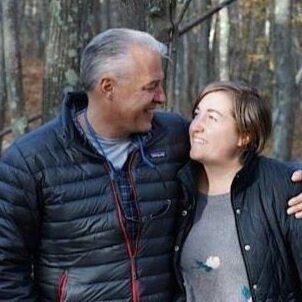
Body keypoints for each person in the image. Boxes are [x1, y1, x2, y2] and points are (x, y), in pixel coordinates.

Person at [0, 29, 301, 302]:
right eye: (151, 87)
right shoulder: (31, 161)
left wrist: (295, 180)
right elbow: (5, 270)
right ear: (108, 88)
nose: (162, 97)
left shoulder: (172, 137)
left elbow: (237, 160)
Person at [175, 81, 302, 301]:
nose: (196, 125)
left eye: (212, 117)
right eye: (197, 114)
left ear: (245, 136)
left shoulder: (284, 188)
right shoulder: (179, 190)